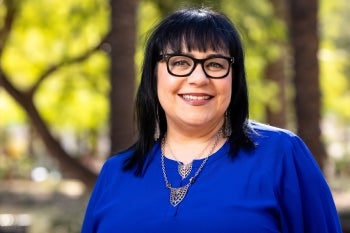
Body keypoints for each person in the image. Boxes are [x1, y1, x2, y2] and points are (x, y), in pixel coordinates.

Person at [81, 7, 342, 233]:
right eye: (180, 62)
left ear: (234, 78)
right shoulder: (116, 173)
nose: (198, 78)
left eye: (215, 64)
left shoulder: (282, 155)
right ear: (153, 75)